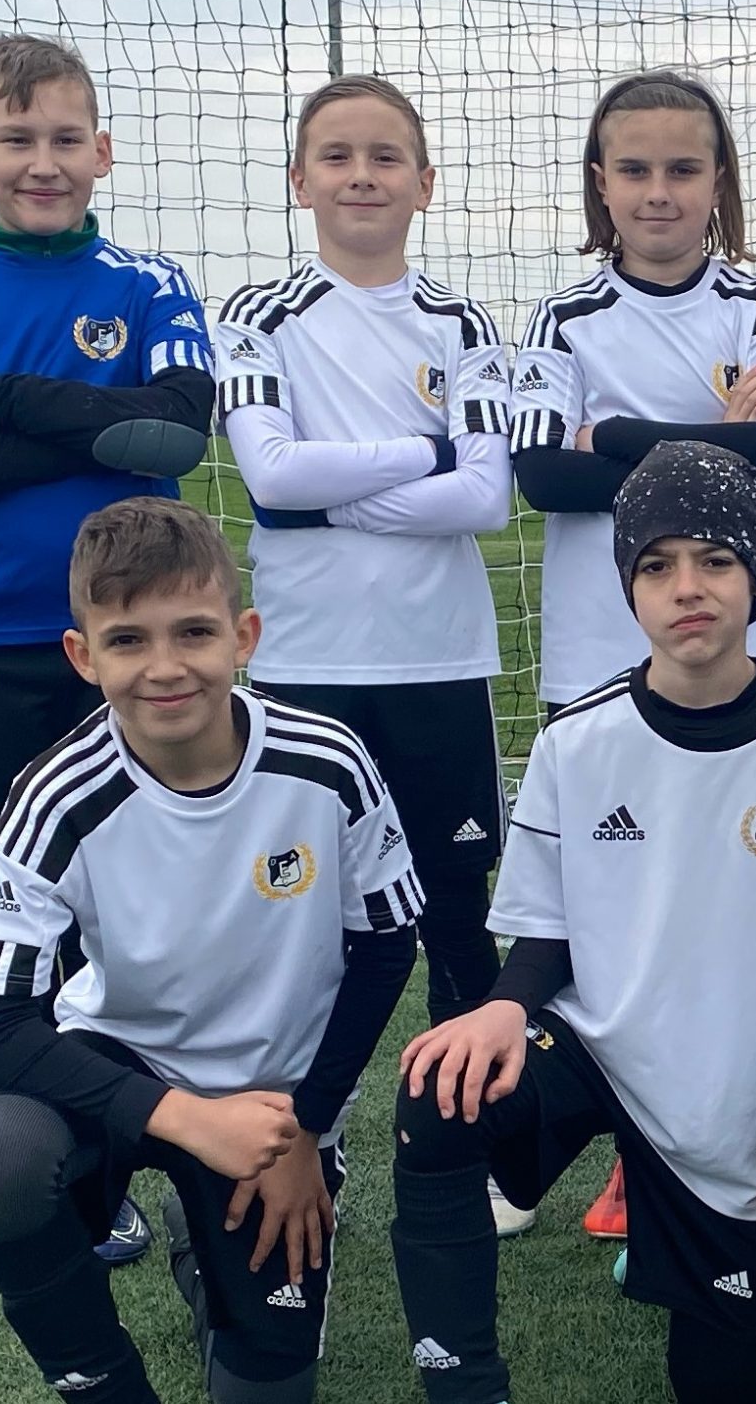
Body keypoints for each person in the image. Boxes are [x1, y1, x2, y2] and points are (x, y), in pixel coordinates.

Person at [387, 441, 756, 1404]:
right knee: (437, 1094)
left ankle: (686, 1233)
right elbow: (546, 927)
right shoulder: (577, 739)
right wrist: (501, 1007)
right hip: (596, 1045)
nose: (686, 587)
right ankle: (464, 1384)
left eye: (715, 560)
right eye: (656, 566)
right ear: (629, 588)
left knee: (717, 1383)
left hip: (734, 1094)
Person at [0, 30, 217, 1265]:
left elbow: (173, 440)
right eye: (17, 139)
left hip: (137, 656)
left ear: (103, 150)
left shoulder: (150, 282)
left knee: (158, 909)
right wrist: (89, 431)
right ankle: (61, 1166)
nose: (43, 161)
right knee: (1, 911)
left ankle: (193, 1157)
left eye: (66, 137)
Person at [0, 497, 418, 1403]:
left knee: (266, 1386)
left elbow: (386, 947)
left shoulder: (329, 762)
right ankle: (106, 1384)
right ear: (83, 656)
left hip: (278, 1101)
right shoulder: (54, 796)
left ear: (243, 638)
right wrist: (185, 1118)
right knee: (0, 1155)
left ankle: (204, 1252)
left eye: (194, 633)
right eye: (127, 640)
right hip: (124, 1065)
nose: (165, 668)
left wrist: (307, 1126)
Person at [508, 68, 756, 1241]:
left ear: (718, 182)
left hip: (740, 674)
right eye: (635, 169)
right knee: (617, 921)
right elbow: (542, 473)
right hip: (597, 666)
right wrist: (716, 440)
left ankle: (728, 1124)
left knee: (730, 912)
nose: (659, 191)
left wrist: (618, 432)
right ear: (600, 184)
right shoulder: (562, 318)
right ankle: (626, 1148)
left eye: (683, 168)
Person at [209, 75, 512, 1029]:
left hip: (438, 659)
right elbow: (273, 477)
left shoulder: (464, 324)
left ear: (425, 182)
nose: (362, 175)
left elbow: (486, 497)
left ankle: (468, 1112)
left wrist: (331, 498)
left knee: (456, 913)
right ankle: (304, 1110)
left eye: (386, 157)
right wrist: (427, 452)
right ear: (300, 181)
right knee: (302, 910)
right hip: (307, 663)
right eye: (336, 157)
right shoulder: (257, 315)